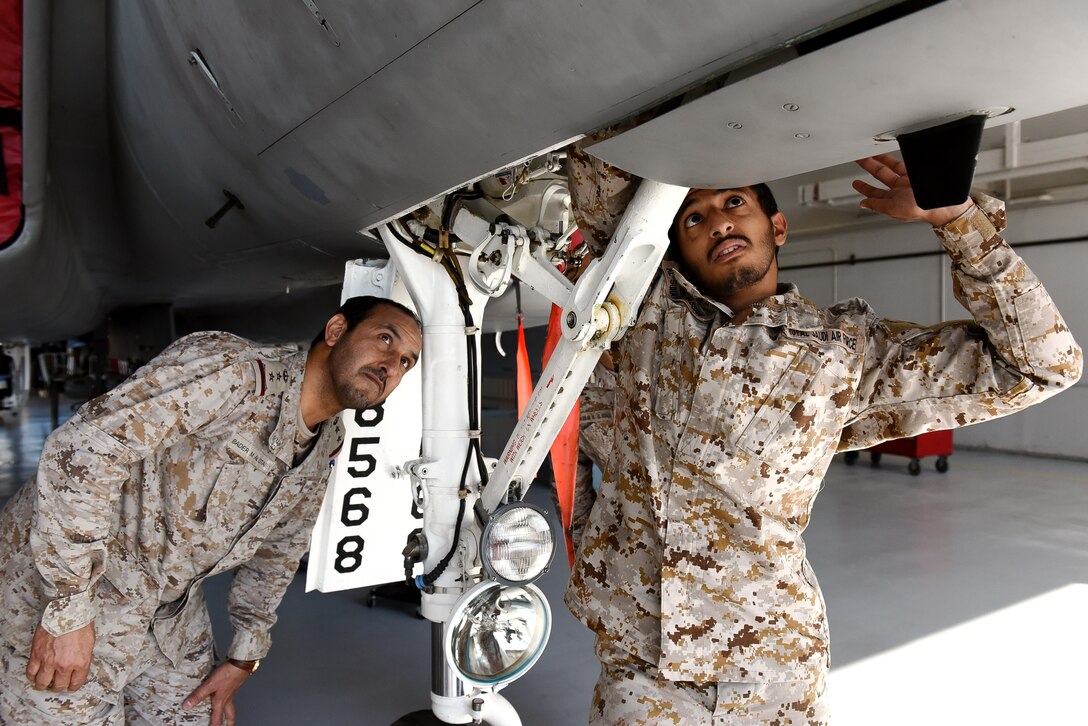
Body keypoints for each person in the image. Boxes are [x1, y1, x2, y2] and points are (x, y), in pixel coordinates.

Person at [562, 145, 1083, 724]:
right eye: (693, 217)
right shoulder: (645, 315)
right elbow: (599, 163)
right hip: (642, 667)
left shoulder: (842, 355)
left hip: (774, 667)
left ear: (777, 226)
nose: (718, 220)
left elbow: (1042, 365)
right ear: (676, 247)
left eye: (736, 202)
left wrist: (956, 218)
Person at [0, 296, 422, 725]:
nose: (391, 364)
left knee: (198, 716)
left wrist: (245, 655)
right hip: (64, 591)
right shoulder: (234, 373)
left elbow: (280, 548)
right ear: (336, 331)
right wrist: (68, 610)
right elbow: (84, 449)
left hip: (168, 605)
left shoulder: (327, 438)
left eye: (407, 362)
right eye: (384, 339)